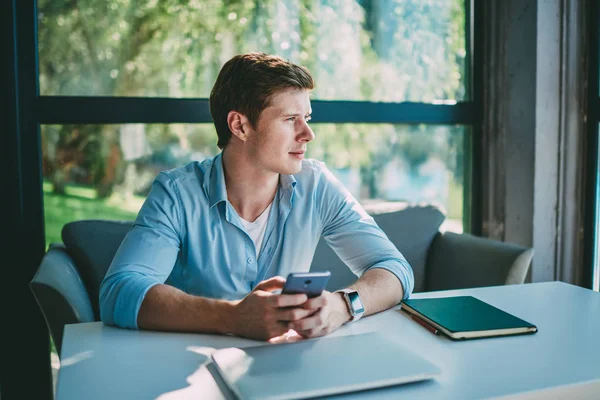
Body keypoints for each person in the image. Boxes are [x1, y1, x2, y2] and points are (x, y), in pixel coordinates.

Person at [99, 52, 414, 341]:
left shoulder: (317, 186)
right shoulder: (177, 193)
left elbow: (395, 269)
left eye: (307, 118)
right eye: (291, 119)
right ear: (240, 125)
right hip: (193, 372)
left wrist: (343, 305)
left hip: (287, 367)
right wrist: (232, 316)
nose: (308, 134)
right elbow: (118, 293)